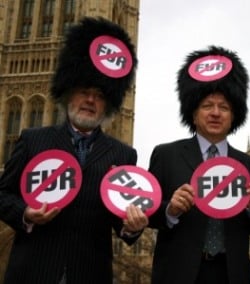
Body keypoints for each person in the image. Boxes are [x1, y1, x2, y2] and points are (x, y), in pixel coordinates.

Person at [0, 17, 148, 284]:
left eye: (100, 96)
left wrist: (132, 228)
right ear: (69, 93)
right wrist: (25, 213)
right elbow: (2, 195)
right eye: (84, 91)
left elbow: (122, 221)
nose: (90, 100)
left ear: (109, 105)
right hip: (33, 272)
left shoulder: (123, 155)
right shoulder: (33, 140)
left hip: (89, 274)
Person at [148, 45, 250, 284]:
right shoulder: (166, 155)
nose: (216, 113)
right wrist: (170, 210)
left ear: (234, 116)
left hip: (232, 275)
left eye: (224, 107)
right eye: (207, 106)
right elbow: (148, 213)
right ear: (193, 114)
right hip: (177, 274)